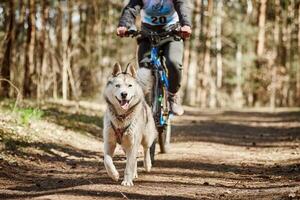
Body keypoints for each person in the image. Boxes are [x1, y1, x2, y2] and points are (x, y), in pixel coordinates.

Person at [116, 0, 192, 116]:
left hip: (172, 34)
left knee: (174, 63)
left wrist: (186, 24)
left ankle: (172, 96)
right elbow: (131, 9)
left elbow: (182, 6)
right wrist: (123, 25)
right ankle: (145, 104)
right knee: (144, 71)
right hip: (148, 35)